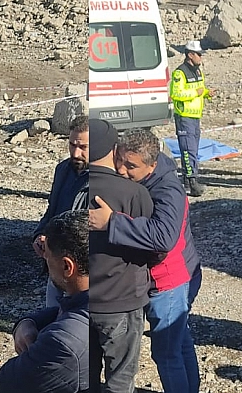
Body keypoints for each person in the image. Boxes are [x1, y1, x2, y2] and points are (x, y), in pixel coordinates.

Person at [89, 128, 202, 393]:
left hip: (168, 281)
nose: (122, 170)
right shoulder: (146, 179)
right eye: (120, 161)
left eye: (131, 166)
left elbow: (163, 238)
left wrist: (112, 223)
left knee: (166, 353)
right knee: (180, 342)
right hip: (165, 276)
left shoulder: (167, 190)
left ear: (151, 165)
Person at [88, 118, 154, 393]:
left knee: (85, 376)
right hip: (121, 301)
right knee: (120, 380)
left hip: (79, 300)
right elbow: (153, 244)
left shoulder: (73, 183)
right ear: (115, 150)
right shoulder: (135, 192)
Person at [0, 210, 89, 393]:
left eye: (47, 258)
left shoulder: (62, 341)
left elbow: (10, 381)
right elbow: (70, 308)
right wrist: (28, 322)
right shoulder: (120, 296)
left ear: (66, 266)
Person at [34, 115, 89, 308]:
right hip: (56, 263)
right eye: (72, 145)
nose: (76, 153)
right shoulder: (62, 170)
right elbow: (52, 209)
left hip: (83, 270)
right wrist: (40, 234)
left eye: (83, 147)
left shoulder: (104, 180)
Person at [170, 40, 213, 197]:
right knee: (189, 151)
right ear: (190, 55)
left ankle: (188, 182)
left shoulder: (197, 71)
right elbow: (176, 94)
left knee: (192, 150)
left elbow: (199, 89)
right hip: (184, 117)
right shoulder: (179, 73)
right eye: (199, 54)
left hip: (195, 117)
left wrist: (207, 93)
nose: (201, 57)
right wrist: (197, 93)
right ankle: (192, 182)